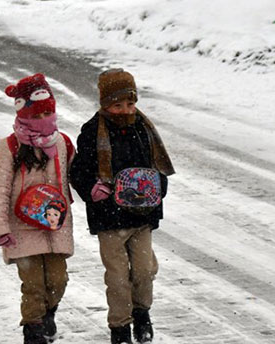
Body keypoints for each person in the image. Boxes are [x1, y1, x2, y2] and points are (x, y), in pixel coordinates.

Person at [68, 68, 175, 344]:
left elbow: (156, 165)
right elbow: (78, 170)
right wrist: (92, 189)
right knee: (117, 277)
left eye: (130, 103)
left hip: (142, 215)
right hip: (109, 219)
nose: (125, 110)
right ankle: (120, 327)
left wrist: (158, 186)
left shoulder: (144, 128)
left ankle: (142, 313)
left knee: (144, 271)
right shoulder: (93, 131)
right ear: (105, 104)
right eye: (117, 105)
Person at [0, 73, 75, 344]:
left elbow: (76, 177)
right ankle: (33, 329)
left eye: (48, 113)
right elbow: (0, 189)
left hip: (54, 224)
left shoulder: (61, 142)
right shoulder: (11, 146)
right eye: (37, 115)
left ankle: (48, 313)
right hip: (21, 226)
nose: (43, 120)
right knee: (34, 284)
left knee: (58, 280)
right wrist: (0, 228)